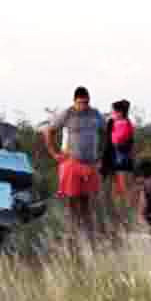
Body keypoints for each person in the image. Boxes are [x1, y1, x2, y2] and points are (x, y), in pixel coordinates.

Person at [42, 87, 105, 237]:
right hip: (71, 162)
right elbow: (48, 131)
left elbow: (106, 133)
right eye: (81, 102)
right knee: (72, 200)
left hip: (90, 163)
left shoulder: (95, 114)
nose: (84, 105)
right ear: (74, 100)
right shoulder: (67, 113)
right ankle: (73, 233)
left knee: (86, 200)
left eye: (86, 102)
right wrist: (54, 154)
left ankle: (88, 234)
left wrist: (102, 155)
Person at [101, 99, 136, 203]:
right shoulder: (120, 123)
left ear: (120, 112)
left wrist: (110, 130)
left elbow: (116, 140)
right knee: (116, 188)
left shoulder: (124, 124)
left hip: (121, 160)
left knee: (123, 188)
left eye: (113, 112)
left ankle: (125, 209)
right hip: (115, 160)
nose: (112, 114)